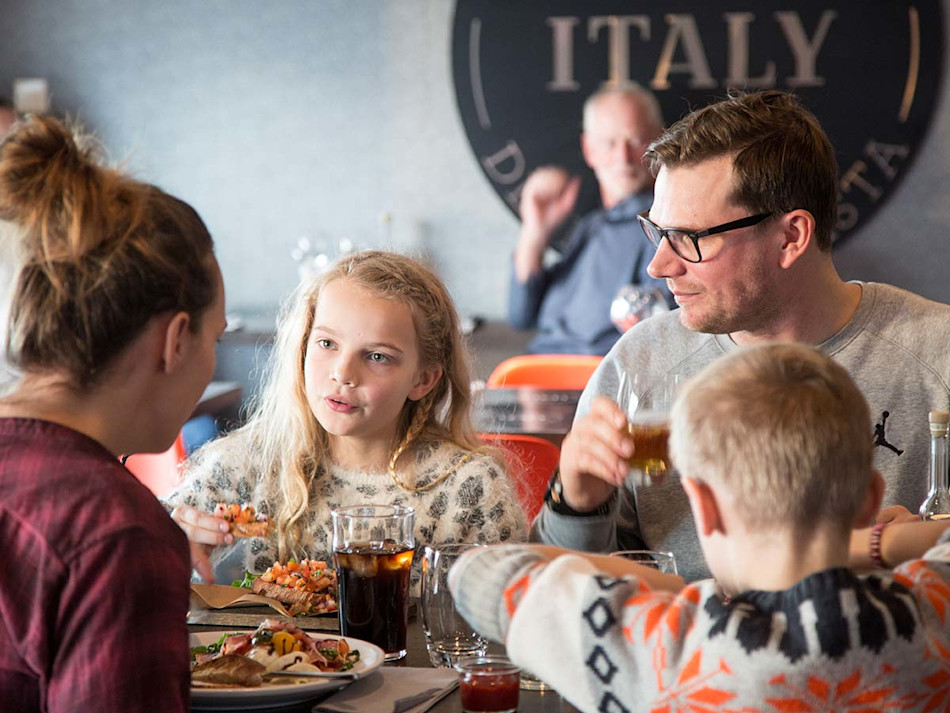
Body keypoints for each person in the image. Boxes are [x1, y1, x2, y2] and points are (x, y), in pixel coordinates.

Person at [532, 90, 950, 582]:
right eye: (657, 232)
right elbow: (561, 596)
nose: (658, 265)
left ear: (791, 237)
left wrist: (932, 546)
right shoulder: (638, 365)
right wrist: (577, 502)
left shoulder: (935, 354)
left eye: (690, 238)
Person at [451, 343, 950, 710]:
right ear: (870, 501)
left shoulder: (667, 647)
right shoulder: (932, 610)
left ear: (704, 509)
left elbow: (477, 574)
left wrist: (665, 585)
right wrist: (875, 543)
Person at [0, 116, 226, 711]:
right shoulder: (116, 536)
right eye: (215, 339)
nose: (211, 359)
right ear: (176, 341)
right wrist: (137, 555)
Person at [165, 250, 527, 586]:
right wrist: (171, 545)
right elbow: (131, 553)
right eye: (327, 344)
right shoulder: (247, 464)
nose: (343, 373)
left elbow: (507, 620)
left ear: (422, 379)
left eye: (377, 357)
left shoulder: (470, 487)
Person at [508, 83, 672, 355]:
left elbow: (661, 328)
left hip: (592, 381)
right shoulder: (590, 227)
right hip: (535, 371)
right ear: (589, 149)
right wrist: (534, 235)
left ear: (660, 140)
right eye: (609, 143)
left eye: (635, 140)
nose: (623, 158)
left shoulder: (662, 225)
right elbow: (520, 316)